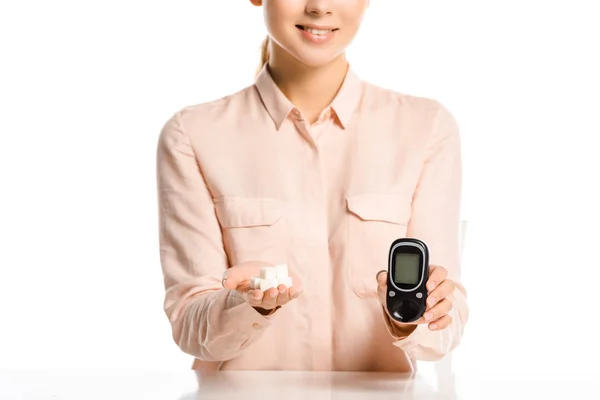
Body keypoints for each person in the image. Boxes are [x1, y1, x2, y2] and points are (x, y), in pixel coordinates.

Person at [155, 0, 469, 373]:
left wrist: (412, 316)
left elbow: (447, 323)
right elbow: (190, 325)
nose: (320, 7)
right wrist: (248, 305)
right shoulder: (193, 134)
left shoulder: (426, 127)